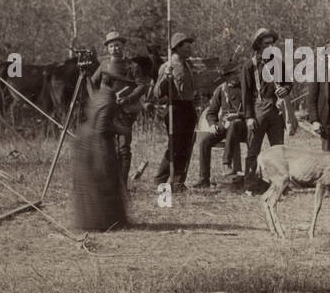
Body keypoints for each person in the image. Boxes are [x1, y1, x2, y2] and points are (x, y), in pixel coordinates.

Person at [73, 59, 137, 231]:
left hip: (87, 142)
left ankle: (102, 222)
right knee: (105, 181)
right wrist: (122, 130)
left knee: (100, 184)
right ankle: (105, 223)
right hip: (98, 145)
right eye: (121, 82)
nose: (122, 85)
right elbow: (102, 128)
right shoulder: (108, 100)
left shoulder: (99, 94)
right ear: (114, 81)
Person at [241, 28, 291, 187]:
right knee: (253, 150)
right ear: (258, 45)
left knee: (279, 150)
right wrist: (248, 117)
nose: (270, 46)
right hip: (258, 110)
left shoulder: (278, 63)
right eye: (266, 43)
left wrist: (286, 89)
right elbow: (246, 95)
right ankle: (250, 184)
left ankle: (280, 184)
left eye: (272, 43)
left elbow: (289, 83)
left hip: (276, 111)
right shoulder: (249, 66)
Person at [101, 30, 150, 188]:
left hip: (125, 112)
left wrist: (128, 99)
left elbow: (142, 86)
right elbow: (92, 84)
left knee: (123, 147)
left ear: (123, 46)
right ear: (107, 49)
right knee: (107, 148)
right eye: (111, 46)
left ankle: (123, 186)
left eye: (118, 45)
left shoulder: (132, 66)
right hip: (107, 112)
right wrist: (101, 99)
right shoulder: (104, 65)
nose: (115, 49)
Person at [153, 32, 197, 191]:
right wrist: (166, 78)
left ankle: (178, 181)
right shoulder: (167, 67)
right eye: (186, 46)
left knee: (185, 146)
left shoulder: (187, 65)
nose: (190, 49)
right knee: (175, 146)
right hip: (175, 108)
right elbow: (157, 93)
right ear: (177, 48)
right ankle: (160, 179)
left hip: (189, 108)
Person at [190, 66, 246, 188]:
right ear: (226, 77)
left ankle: (226, 163)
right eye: (230, 75)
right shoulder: (221, 89)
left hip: (242, 127)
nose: (234, 77)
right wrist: (213, 124)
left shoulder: (245, 89)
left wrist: (238, 115)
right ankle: (203, 178)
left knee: (234, 123)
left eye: (235, 74)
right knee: (205, 142)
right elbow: (211, 112)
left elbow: (251, 112)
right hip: (223, 126)